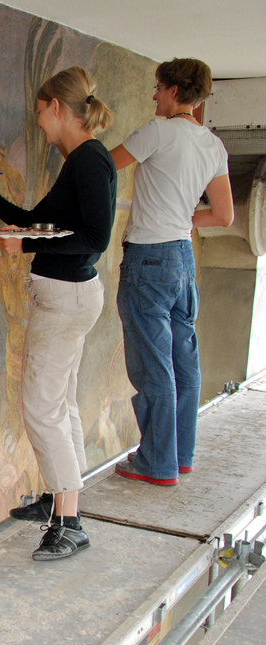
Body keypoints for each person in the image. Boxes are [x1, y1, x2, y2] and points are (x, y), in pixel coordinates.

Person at [0, 66, 116, 561]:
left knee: (42, 409)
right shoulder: (80, 161)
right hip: (66, 297)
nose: (39, 124)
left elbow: (96, 238)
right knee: (60, 404)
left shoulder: (90, 160)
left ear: (56, 107)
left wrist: (26, 246)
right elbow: (37, 221)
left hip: (66, 300)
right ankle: (60, 500)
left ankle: (69, 523)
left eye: (40, 113)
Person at [109, 58, 234, 486]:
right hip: (183, 257)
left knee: (153, 365)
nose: (154, 96)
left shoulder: (157, 132)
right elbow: (224, 215)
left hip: (149, 258)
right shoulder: (213, 145)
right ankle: (180, 456)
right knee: (183, 361)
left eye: (159, 88)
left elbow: (102, 165)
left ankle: (156, 463)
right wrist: (181, 217)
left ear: (175, 91)